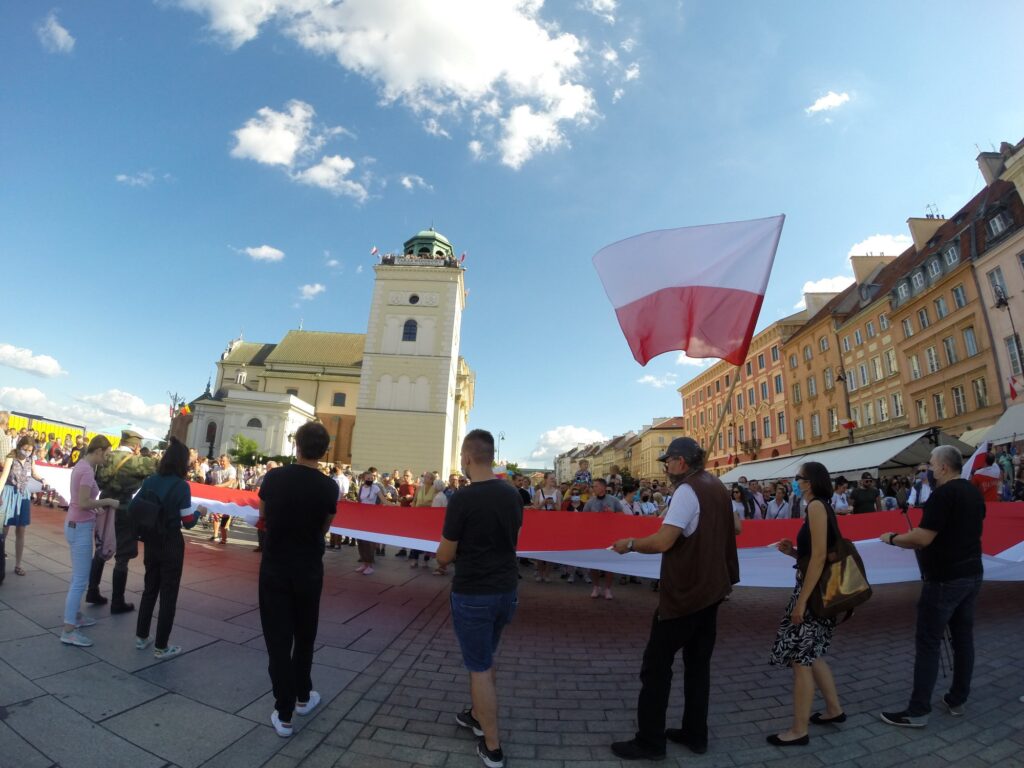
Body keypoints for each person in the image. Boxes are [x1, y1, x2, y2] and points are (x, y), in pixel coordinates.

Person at [609, 437, 739, 760]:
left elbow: (665, 541)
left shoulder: (687, 490)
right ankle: (696, 733)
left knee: (656, 668)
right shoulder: (717, 486)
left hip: (685, 595)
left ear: (681, 462)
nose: (665, 467)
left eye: (668, 461)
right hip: (711, 592)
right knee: (698, 667)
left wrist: (632, 543)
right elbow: (737, 526)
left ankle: (650, 741)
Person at [880, 445, 985, 728]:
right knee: (963, 639)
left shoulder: (944, 494)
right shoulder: (973, 492)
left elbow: (923, 538)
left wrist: (892, 538)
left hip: (944, 578)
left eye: (931, 463)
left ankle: (918, 711)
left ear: (942, 467)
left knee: (929, 641)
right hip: (972, 573)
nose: (928, 468)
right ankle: (957, 698)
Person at [436, 430, 522, 768]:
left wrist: (440, 562)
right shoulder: (512, 494)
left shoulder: (463, 499)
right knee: (485, 658)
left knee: (479, 666)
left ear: (468, 457)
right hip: (506, 589)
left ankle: (493, 745)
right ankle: (475, 715)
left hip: (474, 591)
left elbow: (446, 553)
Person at [258, 422, 339, 738]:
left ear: (296, 445)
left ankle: (284, 712)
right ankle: (303, 696)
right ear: (324, 451)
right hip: (308, 568)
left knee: (278, 639)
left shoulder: (274, 477)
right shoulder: (329, 487)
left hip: (275, 567)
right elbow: (325, 526)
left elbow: (263, 514)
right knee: (305, 635)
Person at [767, 462, 845, 746]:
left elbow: (820, 557)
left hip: (812, 593)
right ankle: (834, 709)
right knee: (813, 655)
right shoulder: (820, 506)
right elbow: (815, 554)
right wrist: (794, 553)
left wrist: (801, 603)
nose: (795, 482)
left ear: (809, 482)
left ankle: (798, 730)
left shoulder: (815, 507)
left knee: (801, 660)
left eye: (798, 478)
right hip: (817, 589)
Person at [135, 438, 204, 658]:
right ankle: (161, 646)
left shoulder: (150, 481)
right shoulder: (181, 486)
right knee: (168, 594)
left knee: (149, 588)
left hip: (151, 540)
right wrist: (200, 512)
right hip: (171, 543)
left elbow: (139, 506)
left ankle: (141, 636)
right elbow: (188, 521)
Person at [86, 429, 157, 612]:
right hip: (124, 510)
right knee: (122, 557)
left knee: (101, 549)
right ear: (135, 446)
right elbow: (158, 468)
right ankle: (118, 601)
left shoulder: (105, 456)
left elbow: (97, 481)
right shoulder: (136, 461)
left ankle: (92, 591)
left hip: (103, 506)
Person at [60, 435, 119, 647]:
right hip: (80, 526)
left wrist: (95, 506)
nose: (108, 457)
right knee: (79, 580)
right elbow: (83, 502)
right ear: (99, 451)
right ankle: (69, 629)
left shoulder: (82, 467)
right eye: (107, 453)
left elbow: (79, 501)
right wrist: (107, 501)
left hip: (76, 524)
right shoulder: (86, 470)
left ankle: (74, 617)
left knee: (78, 577)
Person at [1, 436, 46, 577]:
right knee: (4, 530)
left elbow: (34, 473)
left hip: (23, 496)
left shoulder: (30, 459)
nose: (27, 452)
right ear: (20, 446)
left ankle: (18, 564)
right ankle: (1, 560)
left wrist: (42, 479)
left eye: (30, 450)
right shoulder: (11, 457)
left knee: (21, 531)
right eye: (25, 449)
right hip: (9, 493)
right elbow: (3, 477)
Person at [583, 478, 626, 599]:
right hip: (594, 537)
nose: (593, 488)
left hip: (610, 537)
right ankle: (596, 587)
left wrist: (612, 513)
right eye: (593, 486)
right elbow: (583, 519)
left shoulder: (614, 500)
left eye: (595, 486)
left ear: (603, 487)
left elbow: (623, 517)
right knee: (594, 563)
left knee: (609, 563)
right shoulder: (590, 502)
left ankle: (608, 589)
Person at [355, 470, 382, 575]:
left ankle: (370, 565)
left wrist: (396, 507)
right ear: (364, 478)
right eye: (368, 478)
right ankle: (364, 563)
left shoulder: (375, 488)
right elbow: (359, 502)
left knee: (369, 542)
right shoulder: (361, 487)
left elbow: (383, 500)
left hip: (371, 517)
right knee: (360, 541)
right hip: (362, 517)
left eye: (372, 478)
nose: (370, 480)